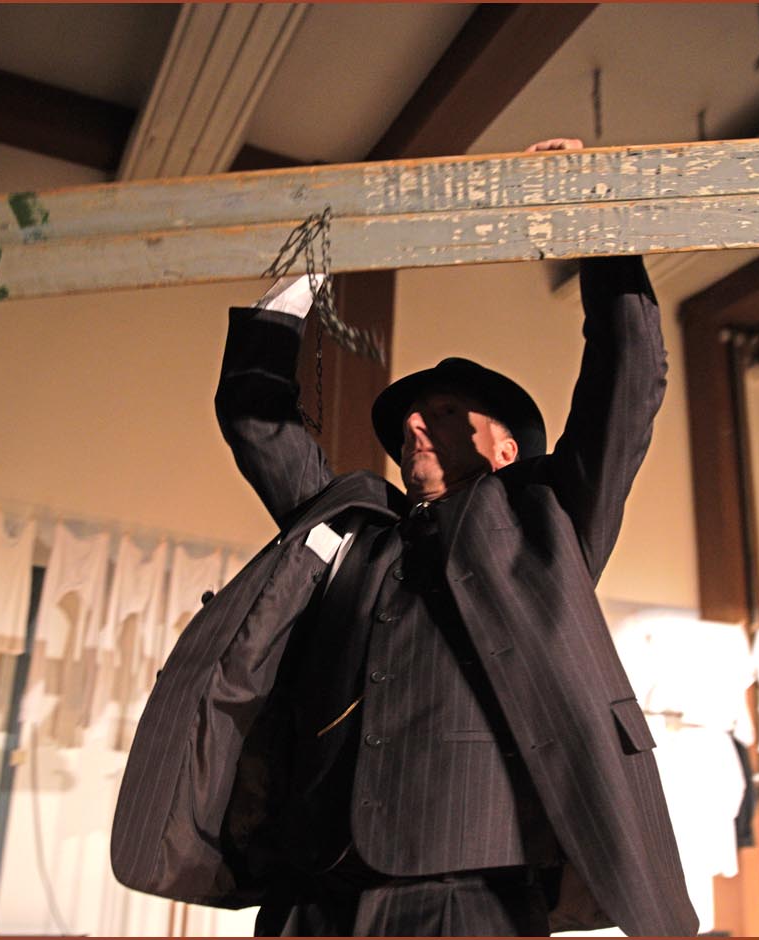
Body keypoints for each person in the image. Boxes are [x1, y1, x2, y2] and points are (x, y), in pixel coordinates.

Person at [111, 138, 697, 937]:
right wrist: (303, 274)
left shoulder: (549, 523)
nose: (415, 424)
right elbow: (255, 420)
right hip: (313, 890)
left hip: (469, 892)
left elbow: (628, 375)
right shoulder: (350, 528)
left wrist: (587, 211)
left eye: (447, 412)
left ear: (507, 450)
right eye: (410, 420)